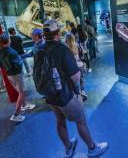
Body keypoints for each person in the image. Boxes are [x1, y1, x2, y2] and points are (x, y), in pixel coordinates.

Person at [38, 19, 108, 158]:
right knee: (81, 121)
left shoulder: (40, 49)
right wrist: (79, 94)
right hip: (66, 96)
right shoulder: (62, 49)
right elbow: (76, 77)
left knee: (60, 122)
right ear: (57, 32)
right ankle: (92, 149)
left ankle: (69, 148)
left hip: (50, 96)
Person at [0, 33, 36, 122]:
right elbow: (18, 65)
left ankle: (24, 105)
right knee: (22, 92)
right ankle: (16, 114)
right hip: (16, 74)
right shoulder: (12, 52)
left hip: (9, 75)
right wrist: (19, 60)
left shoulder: (1, 51)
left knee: (20, 91)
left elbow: (2, 65)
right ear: (8, 40)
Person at [64, 32, 88, 101]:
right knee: (81, 79)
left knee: (73, 81)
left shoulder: (64, 47)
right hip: (80, 65)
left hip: (71, 67)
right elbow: (83, 55)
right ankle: (83, 91)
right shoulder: (77, 45)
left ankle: (77, 94)